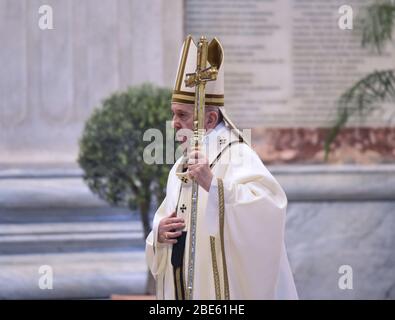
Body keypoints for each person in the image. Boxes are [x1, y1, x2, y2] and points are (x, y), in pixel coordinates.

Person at [145, 35, 298, 299]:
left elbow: (269, 208)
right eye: (173, 113)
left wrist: (213, 185)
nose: (174, 123)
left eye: (182, 114)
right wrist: (158, 233)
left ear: (210, 118)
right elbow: (167, 217)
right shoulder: (181, 166)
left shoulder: (237, 155)